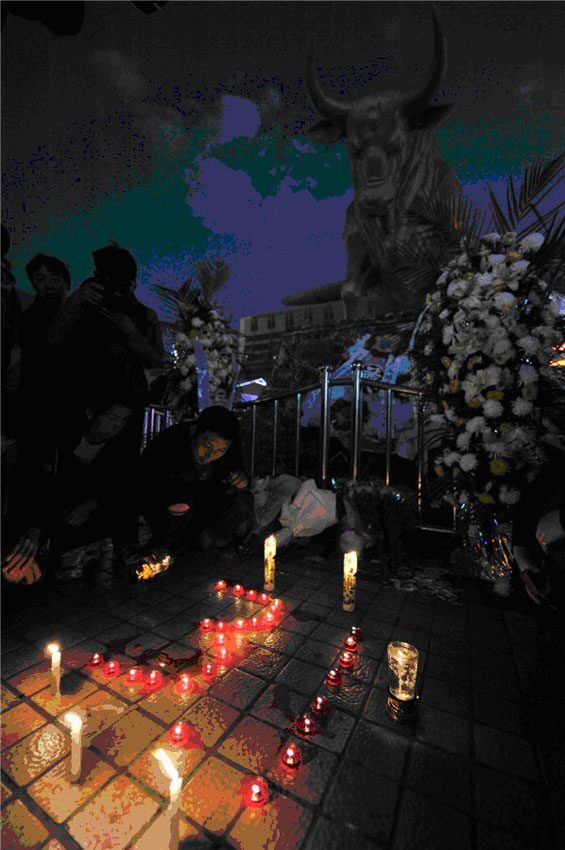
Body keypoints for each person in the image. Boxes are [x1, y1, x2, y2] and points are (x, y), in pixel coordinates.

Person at [2, 395, 135, 586]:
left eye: (123, 421)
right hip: (45, 513)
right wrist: (36, 526)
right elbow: (39, 485)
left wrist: (93, 502)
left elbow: (118, 489)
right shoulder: (60, 440)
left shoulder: (118, 451)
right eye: (112, 418)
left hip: (75, 518)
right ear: (91, 414)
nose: (117, 426)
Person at [131, 405, 253, 563]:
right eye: (207, 446)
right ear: (194, 430)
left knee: (243, 499)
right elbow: (145, 487)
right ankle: (168, 544)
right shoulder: (169, 443)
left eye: (220, 450)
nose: (211, 455)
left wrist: (241, 480)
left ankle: (214, 542)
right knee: (180, 506)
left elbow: (239, 478)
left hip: (205, 508)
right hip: (167, 505)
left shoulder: (229, 449)